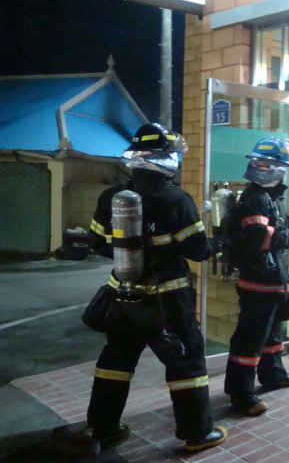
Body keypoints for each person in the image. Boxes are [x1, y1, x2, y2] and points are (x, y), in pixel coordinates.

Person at [55, 123, 226, 454]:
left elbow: (98, 244)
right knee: (186, 364)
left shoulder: (111, 197)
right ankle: (197, 433)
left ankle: (102, 429)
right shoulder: (176, 199)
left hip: (123, 298)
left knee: (115, 361)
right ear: (165, 159)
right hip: (168, 304)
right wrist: (215, 241)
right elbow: (198, 251)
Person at [224, 137, 289, 416]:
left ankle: (273, 375)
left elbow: (281, 226)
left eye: (265, 164)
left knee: (272, 334)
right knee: (250, 340)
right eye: (259, 163)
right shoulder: (256, 199)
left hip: (272, 281)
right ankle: (241, 395)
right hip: (258, 283)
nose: (262, 168)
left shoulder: (270, 198)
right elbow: (262, 238)